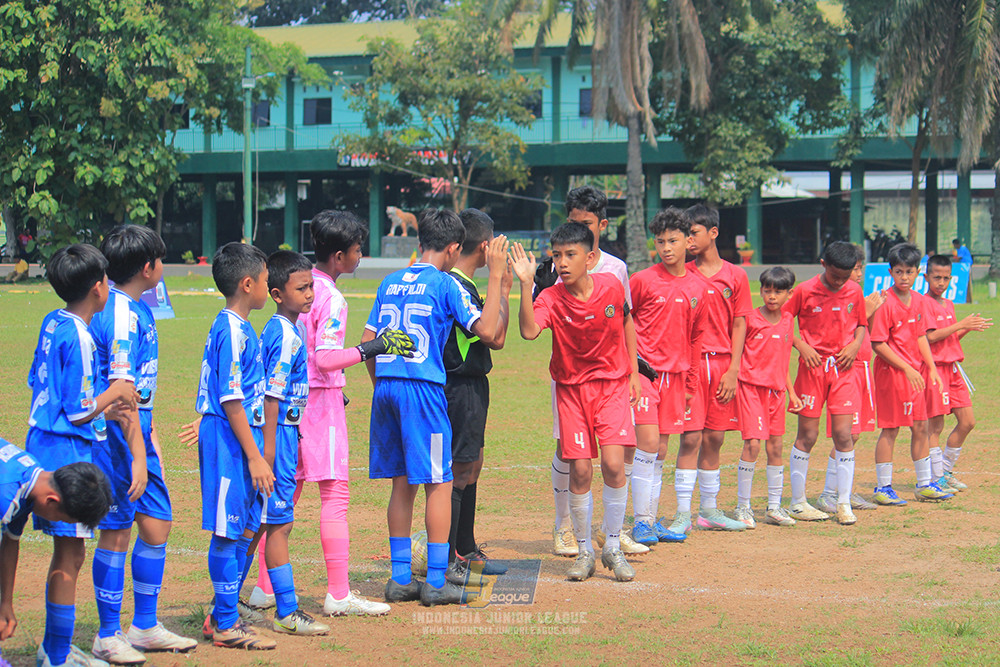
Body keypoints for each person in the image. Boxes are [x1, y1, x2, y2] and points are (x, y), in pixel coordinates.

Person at [250, 212, 402, 618]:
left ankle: (264, 587)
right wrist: (372, 348)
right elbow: (326, 358)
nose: (360, 256)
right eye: (357, 250)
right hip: (319, 406)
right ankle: (338, 592)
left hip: (291, 403)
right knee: (335, 493)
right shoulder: (330, 296)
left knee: (288, 494)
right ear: (339, 256)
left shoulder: (299, 284)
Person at [362, 209, 507, 606]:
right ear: (454, 248)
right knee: (440, 483)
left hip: (386, 388)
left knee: (402, 484)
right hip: (423, 390)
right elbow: (488, 331)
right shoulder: (445, 283)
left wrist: (382, 386)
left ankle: (399, 578)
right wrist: (496, 277)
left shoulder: (390, 281)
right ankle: (438, 580)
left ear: (419, 241)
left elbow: (369, 339)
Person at [88, 225, 197, 664]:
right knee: (116, 532)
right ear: (148, 268)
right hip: (116, 443)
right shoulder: (120, 315)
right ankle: (107, 635)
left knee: (156, 525)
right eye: (161, 260)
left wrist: (148, 442)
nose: (163, 266)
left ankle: (145, 626)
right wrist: (136, 455)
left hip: (138, 438)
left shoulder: (138, 310)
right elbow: (121, 393)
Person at [27, 244, 138, 667]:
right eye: (106, 279)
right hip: (66, 450)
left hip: (45, 440)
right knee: (70, 554)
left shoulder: (52, 321)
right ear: (97, 287)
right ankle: (56, 653)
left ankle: (57, 647)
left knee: (68, 552)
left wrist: (102, 408)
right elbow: (78, 410)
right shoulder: (80, 335)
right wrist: (116, 392)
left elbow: (46, 387)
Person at [512, 223, 641, 582]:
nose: (563, 262)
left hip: (612, 387)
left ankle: (612, 547)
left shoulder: (612, 286)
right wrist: (525, 284)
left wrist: (633, 371)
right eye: (557, 255)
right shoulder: (550, 298)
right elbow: (528, 331)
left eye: (570, 254)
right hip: (571, 393)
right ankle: (585, 552)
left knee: (614, 464)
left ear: (590, 257)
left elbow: (627, 321)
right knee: (581, 471)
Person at [543, 186, 647, 557]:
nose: (578, 229)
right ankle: (563, 527)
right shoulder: (557, 267)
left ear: (601, 225)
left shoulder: (616, 269)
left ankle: (611, 531)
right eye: (573, 222)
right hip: (570, 379)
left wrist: (633, 370)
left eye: (585, 223)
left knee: (619, 453)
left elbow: (625, 319)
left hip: (611, 379)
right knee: (570, 451)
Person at [195, 242, 277, 650]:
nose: (268, 286)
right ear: (248, 284)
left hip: (238, 433)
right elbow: (230, 399)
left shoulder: (241, 327)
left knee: (245, 525)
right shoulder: (230, 328)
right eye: (265, 280)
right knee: (228, 530)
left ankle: (221, 613)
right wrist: (255, 456)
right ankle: (226, 624)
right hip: (231, 439)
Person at [252, 250, 330, 636]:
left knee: (256, 525)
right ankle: (286, 611)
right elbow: (271, 395)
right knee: (279, 524)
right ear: (278, 294)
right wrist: (269, 451)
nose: (310, 294)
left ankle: (226, 604)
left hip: (282, 432)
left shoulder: (285, 328)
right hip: (277, 435)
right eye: (301, 289)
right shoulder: (285, 334)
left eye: (311, 286)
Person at [671, 204, 752, 534]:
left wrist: (733, 369)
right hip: (690, 365)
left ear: (713, 233)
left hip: (721, 365)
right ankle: (682, 514)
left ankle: (708, 510)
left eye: (693, 233)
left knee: (715, 437)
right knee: (690, 438)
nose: (688, 240)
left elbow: (740, 323)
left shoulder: (736, 276)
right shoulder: (683, 274)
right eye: (685, 234)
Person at [627, 208, 705, 545]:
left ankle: (650, 518)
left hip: (676, 379)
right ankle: (640, 523)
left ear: (688, 241)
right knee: (646, 446)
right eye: (660, 241)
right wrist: (630, 370)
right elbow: (622, 323)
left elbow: (696, 338)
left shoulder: (698, 287)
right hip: (644, 374)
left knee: (660, 450)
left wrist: (690, 384)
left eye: (673, 240)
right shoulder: (642, 280)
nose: (666, 248)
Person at [443, 209, 512, 581]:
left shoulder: (461, 283)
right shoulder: (457, 286)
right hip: (458, 387)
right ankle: (450, 557)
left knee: (473, 464)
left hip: (470, 387)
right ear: (486, 247)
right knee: (459, 470)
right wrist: (500, 284)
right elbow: (495, 337)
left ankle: (465, 548)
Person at [783, 241, 867, 526]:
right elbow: (782, 321)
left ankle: (842, 503)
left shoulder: (854, 291)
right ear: (823, 265)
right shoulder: (804, 290)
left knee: (844, 435)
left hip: (843, 370)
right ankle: (797, 502)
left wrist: (855, 345)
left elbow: (862, 324)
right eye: (835, 276)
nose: (840, 282)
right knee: (807, 435)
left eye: (845, 276)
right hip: (812, 369)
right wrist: (800, 345)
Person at [0, 439, 112, 654]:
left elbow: (10, 541)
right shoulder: (6, 495)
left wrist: (5, 603)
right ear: (51, 501)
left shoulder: (31, 482)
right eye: (62, 519)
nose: (58, 522)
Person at [870, 243, 951, 504]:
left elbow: (920, 336)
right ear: (890, 272)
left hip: (915, 374)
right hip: (892, 374)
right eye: (899, 272)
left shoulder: (919, 301)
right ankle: (883, 488)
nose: (904, 277)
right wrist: (905, 367)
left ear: (918, 272)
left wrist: (931, 368)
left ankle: (924, 483)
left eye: (909, 272)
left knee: (921, 425)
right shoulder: (884, 301)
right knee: (891, 429)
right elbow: (878, 343)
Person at [732, 267, 802, 528]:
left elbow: (783, 361)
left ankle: (774, 507)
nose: (772, 296)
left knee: (776, 447)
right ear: (760, 291)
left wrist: (791, 392)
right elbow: (736, 353)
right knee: (752, 445)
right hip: (751, 389)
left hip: (777, 393)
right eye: (768, 290)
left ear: (789, 294)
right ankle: (742, 506)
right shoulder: (749, 319)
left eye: (778, 291)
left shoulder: (788, 320)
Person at [816, 245, 882, 514]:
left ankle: (844, 489)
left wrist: (871, 312)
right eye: (854, 269)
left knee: (855, 434)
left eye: (859, 268)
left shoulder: (860, 298)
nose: (858, 274)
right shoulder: (841, 299)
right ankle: (829, 493)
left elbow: (870, 334)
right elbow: (839, 329)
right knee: (847, 434)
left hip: (864, 369)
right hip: (847, 369)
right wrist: (866, 310)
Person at [923, 254, 992, 491]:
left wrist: (967, 329)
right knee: (935, 427)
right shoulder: (924, 304)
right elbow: (930, 337)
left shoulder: (949, 304)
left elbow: (949, 338)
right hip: (936, 371)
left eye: (946, 278)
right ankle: (935, 478)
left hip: (954, 370)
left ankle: (945, 470)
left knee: (968, 421)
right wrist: (960, 324)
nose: (941, 282)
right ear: (926, 277)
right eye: (936, 277)